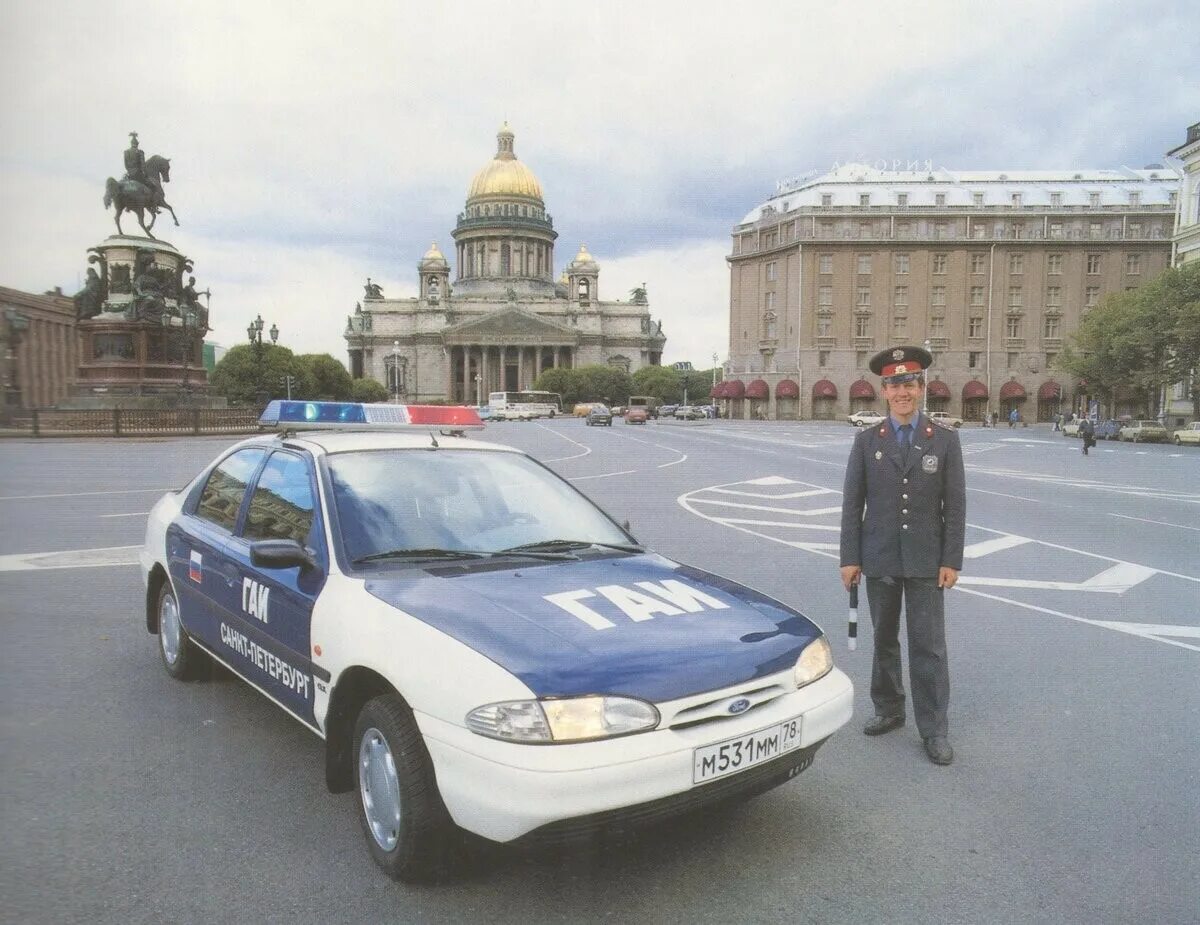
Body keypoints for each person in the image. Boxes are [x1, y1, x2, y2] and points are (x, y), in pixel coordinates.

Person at [840, 345, 966, 766]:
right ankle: (889, 709)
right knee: (885, 639)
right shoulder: (865, 442)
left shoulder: (944, 441)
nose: (902, 393)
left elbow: (956, 506)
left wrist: (951, 560)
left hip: (927, 562)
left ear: (921, 388)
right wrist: (849, 558)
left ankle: (933, 729)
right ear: (884, 391)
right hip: (878, 557)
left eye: (909, 384)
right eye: (894, 386)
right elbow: (851, 504)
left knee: (929, 646)